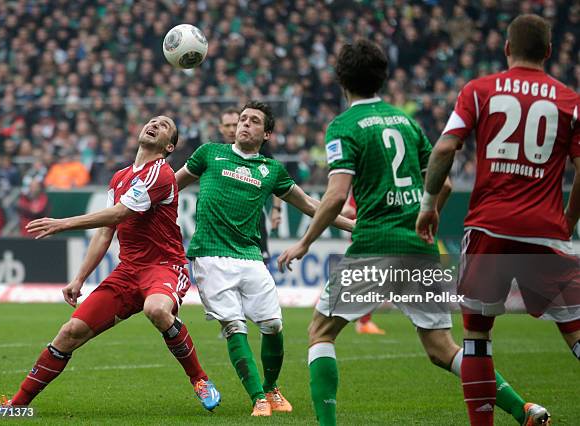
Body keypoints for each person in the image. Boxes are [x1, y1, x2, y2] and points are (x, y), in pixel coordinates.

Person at [278, 39, 550, 426]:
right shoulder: (406, 122)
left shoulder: (344, 125)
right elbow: (446, 185)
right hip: (420, 246)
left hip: (375, 243)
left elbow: (337, 194)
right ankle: (523, 408)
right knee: (443, 348)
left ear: (341, 81)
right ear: (383, 77)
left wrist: (305, 242)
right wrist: (429, 216)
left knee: (320, 331)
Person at [416, 14, 579, 426]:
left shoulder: (479, 90)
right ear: (548, 52)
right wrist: (567, 219)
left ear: (506, 49)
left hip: (488, 228)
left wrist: (429, 203)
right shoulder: (569, 101)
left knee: (476, 336)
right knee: (576, 330)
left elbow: (443, 149)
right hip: (546, 232)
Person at [2, 116, 221, 412]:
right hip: (128, 272)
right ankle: (16, 406)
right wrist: (79, 279)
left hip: (164, 267)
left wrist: (64, 223)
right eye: (152, 120)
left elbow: (118, 214)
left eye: (165, 125)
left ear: (169, 145)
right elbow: (106, 232)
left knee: (156, 309)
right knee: (69, 333)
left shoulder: (162, 174)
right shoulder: (119, 177)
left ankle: (200, 379)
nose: (155, 124)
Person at [175, 101, 354, 417]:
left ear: (267, 133)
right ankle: (257, 397)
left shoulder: (272, 171)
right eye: (242, 119)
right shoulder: (208, 154)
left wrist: (353, 225)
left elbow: (313, 206)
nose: (244, 124)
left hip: (250, 255)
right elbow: (169, 186)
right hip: (209, 254)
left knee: (272, 325)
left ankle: (271, 388)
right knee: (234, 325)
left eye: (253, 121)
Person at [218, 107, 282, 263]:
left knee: (259, 264)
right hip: (223, 223)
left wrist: (276, 210)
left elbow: (278, 181)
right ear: (221, 128)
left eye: (235, 124)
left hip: (254, 220)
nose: (232, 129)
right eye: (228, 126)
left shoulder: (260, 150)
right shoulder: (214, 152)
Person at [340, 193, 386, 335]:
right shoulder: (361, 186)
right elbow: (346, 210)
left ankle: (363, 320)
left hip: (372, 238)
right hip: (364, 240)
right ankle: (363, 322)